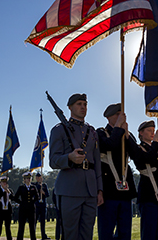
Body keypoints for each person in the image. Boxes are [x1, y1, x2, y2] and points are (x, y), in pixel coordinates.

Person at [49, 93, 103, 240]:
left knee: (87, 233)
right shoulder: (59, 130)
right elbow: (53, 160)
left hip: (90, 190)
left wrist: (99, 190)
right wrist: (69, 157)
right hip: (69, 189)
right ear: (70, 107)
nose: (83, 107)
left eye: (85, 104)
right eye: (79, 104)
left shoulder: (92, 131)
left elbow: (97, 162)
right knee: (70, 234)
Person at [97, 103, 138, 240]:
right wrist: (118, 129)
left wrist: (126, 134)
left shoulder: (126, 134)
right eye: (117, 114)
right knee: (106, 231)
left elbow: (137, 155)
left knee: (125, 232)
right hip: (109, 190)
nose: (122, 117)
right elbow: (109, 145)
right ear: (109, 117)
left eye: (122, 114)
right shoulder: (101, 132)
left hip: (125, 191)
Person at [131, 120, 158, 240]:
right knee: (149, 232)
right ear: (141, 133)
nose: (152, 133)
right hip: (148, 195)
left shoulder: (157, 148)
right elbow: (148, 159)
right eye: (149, 131)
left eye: (153, 131)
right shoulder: (138, 148)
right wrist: (156, 142)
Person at [13, 172, 40, 240]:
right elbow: (15, 197)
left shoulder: (33, 187)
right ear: (24, 180)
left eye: (30, 178)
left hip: (31, 209)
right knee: (21, 226)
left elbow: (37, 197)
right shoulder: (21, 187)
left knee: (32, 226)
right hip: (23, 209)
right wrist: (21, 202)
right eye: (27, 178)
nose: (28, 179)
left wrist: (32, 202)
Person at [33, 173, 51, 240]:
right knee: (34, 221)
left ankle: (43, 235)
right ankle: (33, 235)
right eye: (37, 177)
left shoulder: (44, 185)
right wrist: (38, 187)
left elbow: (47, 194)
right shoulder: (34, 185)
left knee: (43, 221)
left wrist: (43, 192)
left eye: (40, 177)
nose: (39, 179)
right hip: (36, 205)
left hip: (43, 205)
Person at [0, 176, 14, 240]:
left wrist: (8, 192)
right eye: (3, 182)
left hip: (7, 211)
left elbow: (13, 198)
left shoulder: (10, 191)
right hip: (0, 211)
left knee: (8, 226)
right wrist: (3, 191)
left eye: (5, 182)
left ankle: (9, 238)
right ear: (0, 183)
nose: (5, 184)